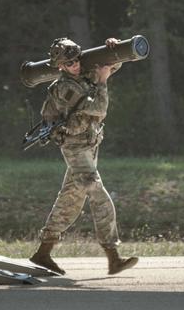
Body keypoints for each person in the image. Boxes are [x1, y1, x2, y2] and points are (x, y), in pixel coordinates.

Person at [29, 37, 138, 276]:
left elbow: (110, 66)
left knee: (71, 199)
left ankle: (43, 253)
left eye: (77, 59)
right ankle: (113, 256)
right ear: (60, 67)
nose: (76, 65)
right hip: (75, 147)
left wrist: (113, 50)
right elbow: (99, 108)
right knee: (97, 193)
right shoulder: (65, 88)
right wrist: (103, 82)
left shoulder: (82, 74)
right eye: (69, 63)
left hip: (89, 145)